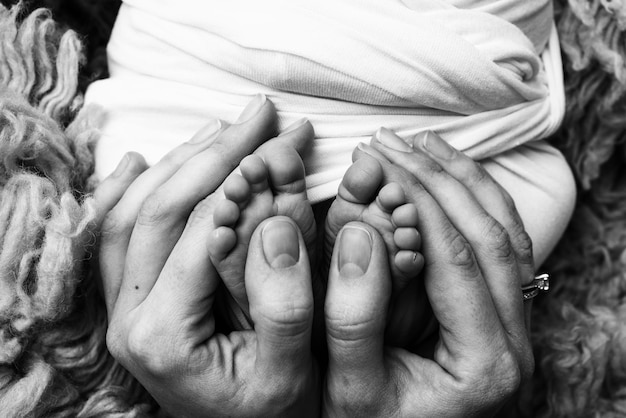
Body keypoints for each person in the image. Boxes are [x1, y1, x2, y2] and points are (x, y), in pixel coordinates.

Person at [95, 98, 536, 416]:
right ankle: (398, 323)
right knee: (534, 197)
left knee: (144, 201)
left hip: (191, 119)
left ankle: (269, 323)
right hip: (463, 130)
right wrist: (528, 292)